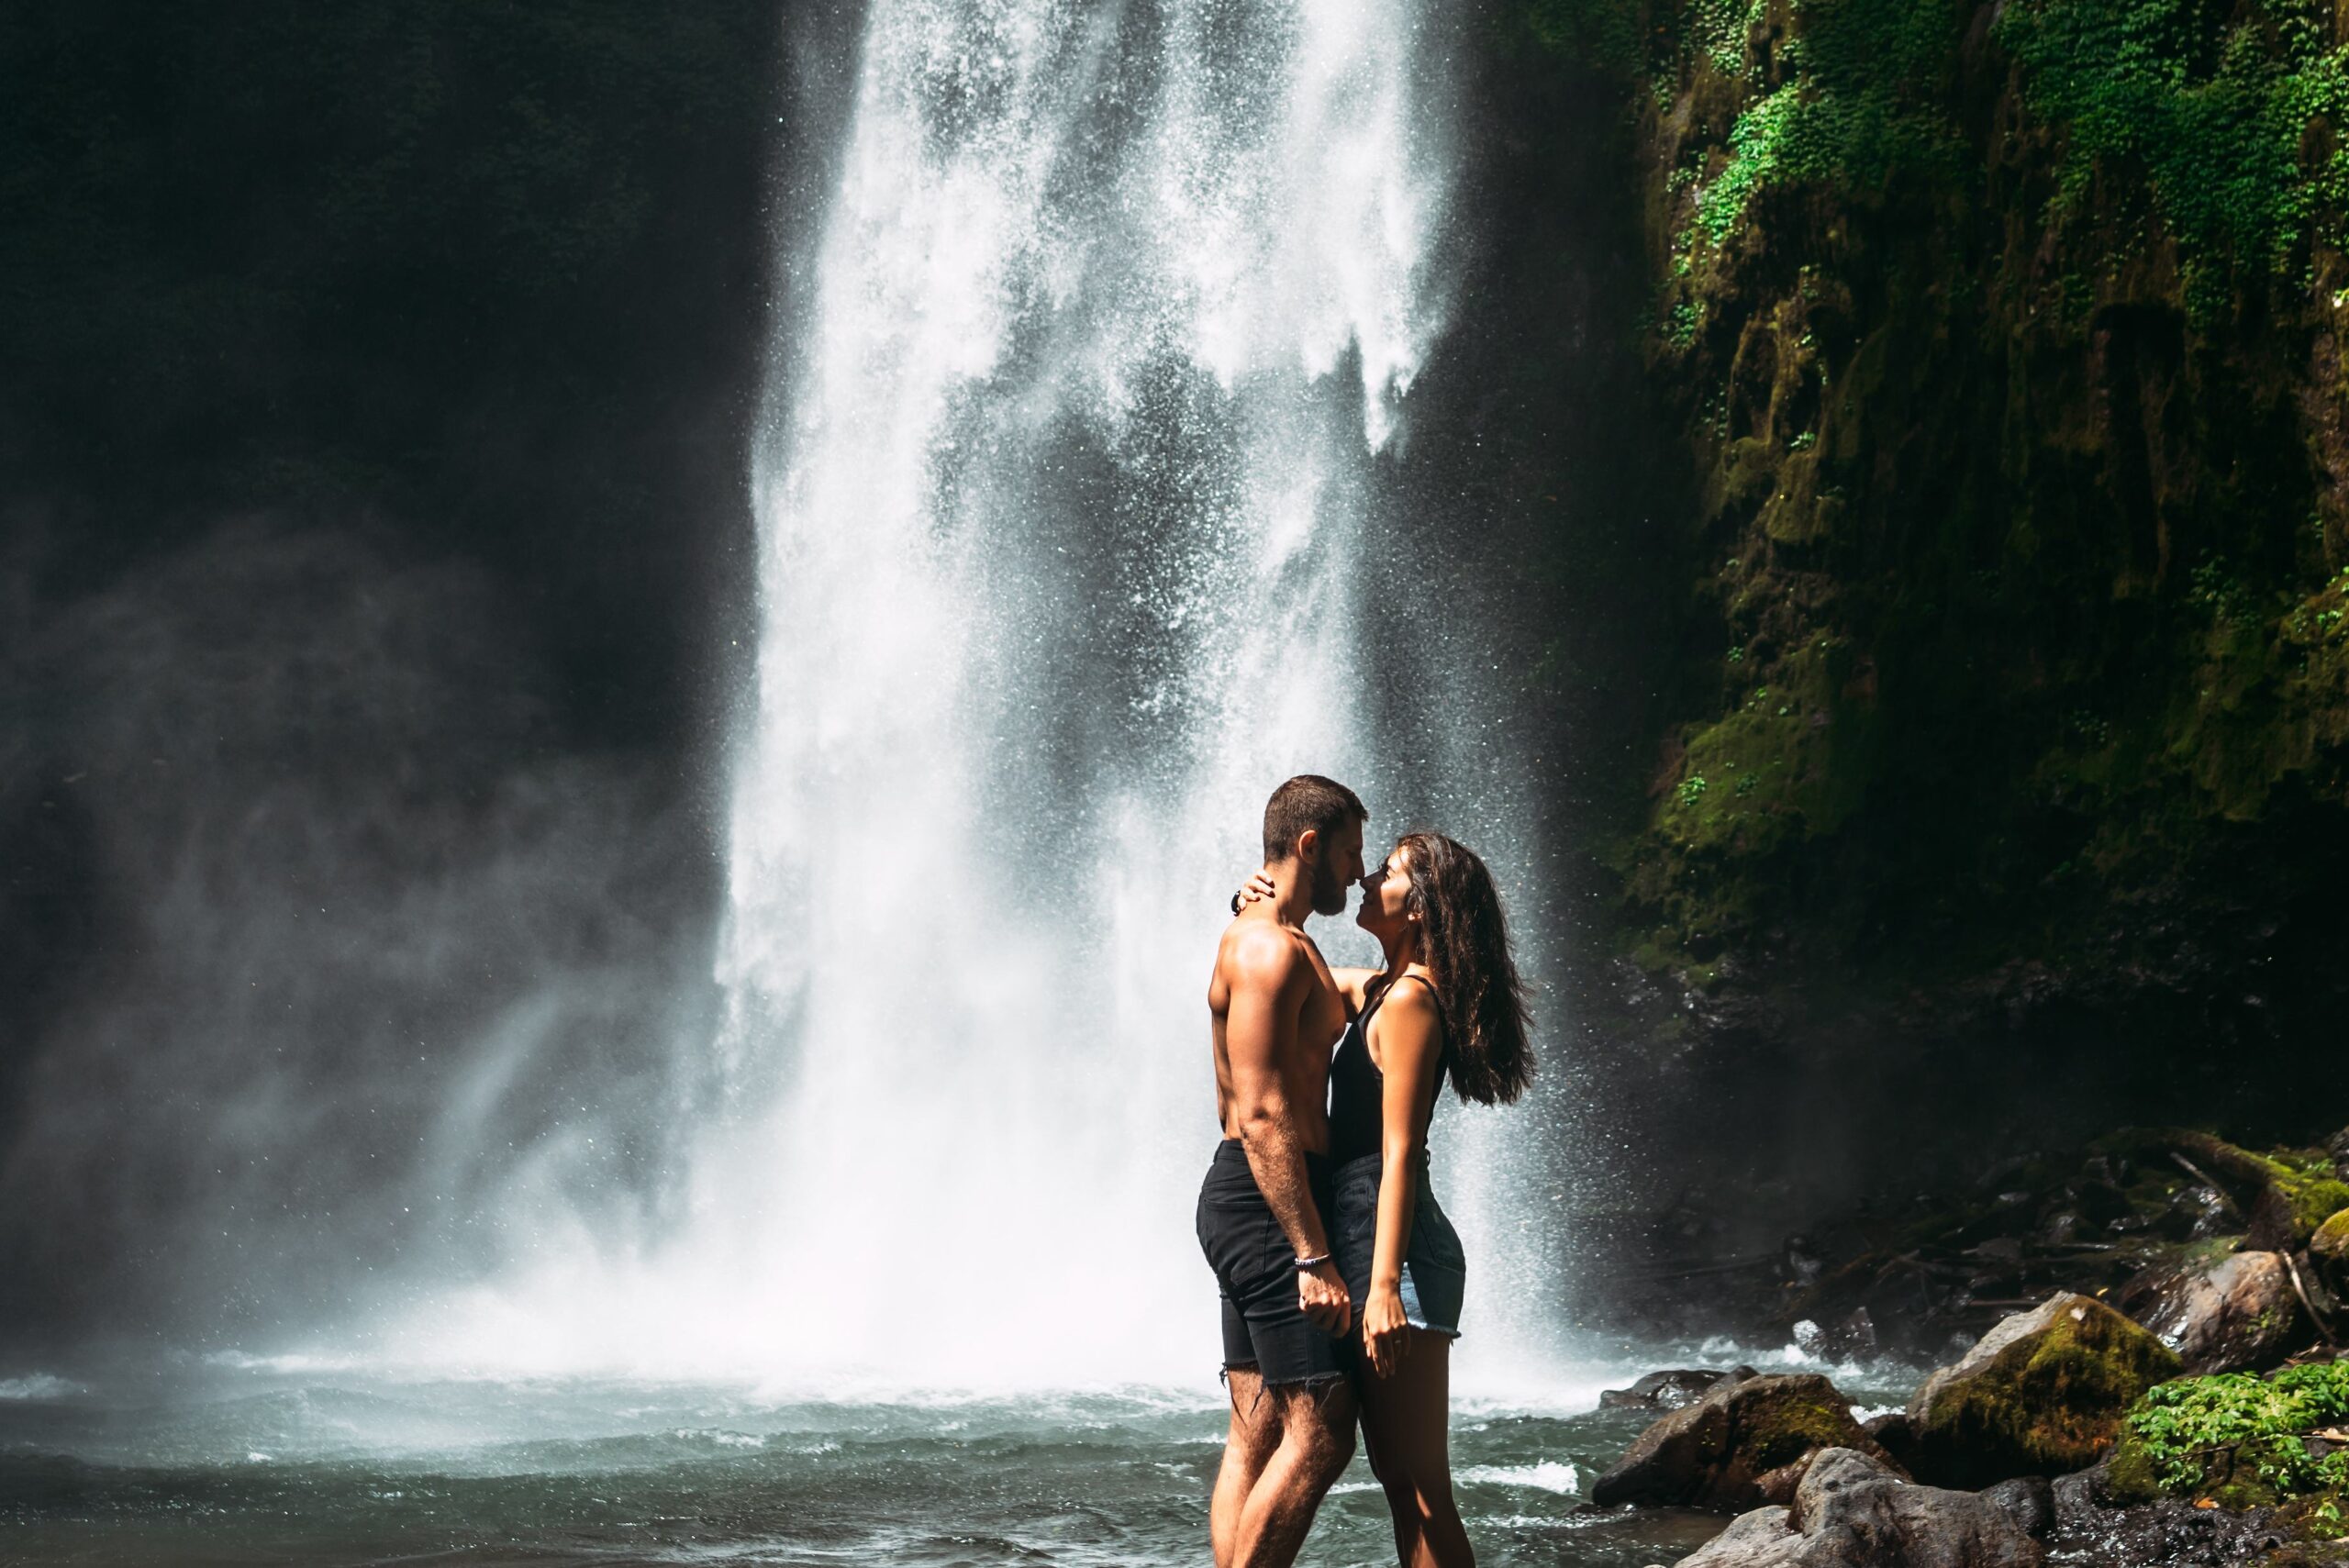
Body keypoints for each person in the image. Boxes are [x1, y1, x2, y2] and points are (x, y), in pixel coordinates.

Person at [1238, 830, 1533, 1568]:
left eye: (1390, 873)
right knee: (1399, 1479)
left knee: (1420, 1481)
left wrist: (1380, 1288)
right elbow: (1297, 971)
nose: (1368, 879)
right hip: (1371, 1242)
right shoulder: (1381, 989)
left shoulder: (1410, 1003)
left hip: (1398, 1256)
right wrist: (1256, 914)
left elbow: (1401, 1151)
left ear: (1425, 906)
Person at [1198, 773, 1370, 1568]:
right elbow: (1264, 1110)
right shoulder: (1268, 944)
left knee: (1260, 1423)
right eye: (1349, 853)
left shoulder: (1281, 936)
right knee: (1324, 1425)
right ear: (1309, 845)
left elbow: (1331, 1000)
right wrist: (1313, 1253)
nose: (1358, 872)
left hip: (1252, 1194)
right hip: (1270, 1197)